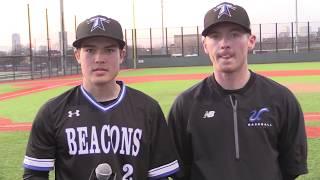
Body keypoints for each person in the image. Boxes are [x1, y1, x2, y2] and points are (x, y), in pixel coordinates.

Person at [23, 15, 179, 180]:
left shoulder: (148, 110)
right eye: (90, 50)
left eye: (109, 50)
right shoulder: (52, 112)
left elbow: (159, 175)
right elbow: (35, 174)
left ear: (121, 54)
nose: (99, 59)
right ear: (77, 55)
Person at [168, 2, 308, 180]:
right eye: (215, 36)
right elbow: (180, 172)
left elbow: (291, 168)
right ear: (204, 45)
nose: (224, 44)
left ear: (251, 41)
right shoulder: (185, 105)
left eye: (234, 34)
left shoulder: (281, 99)